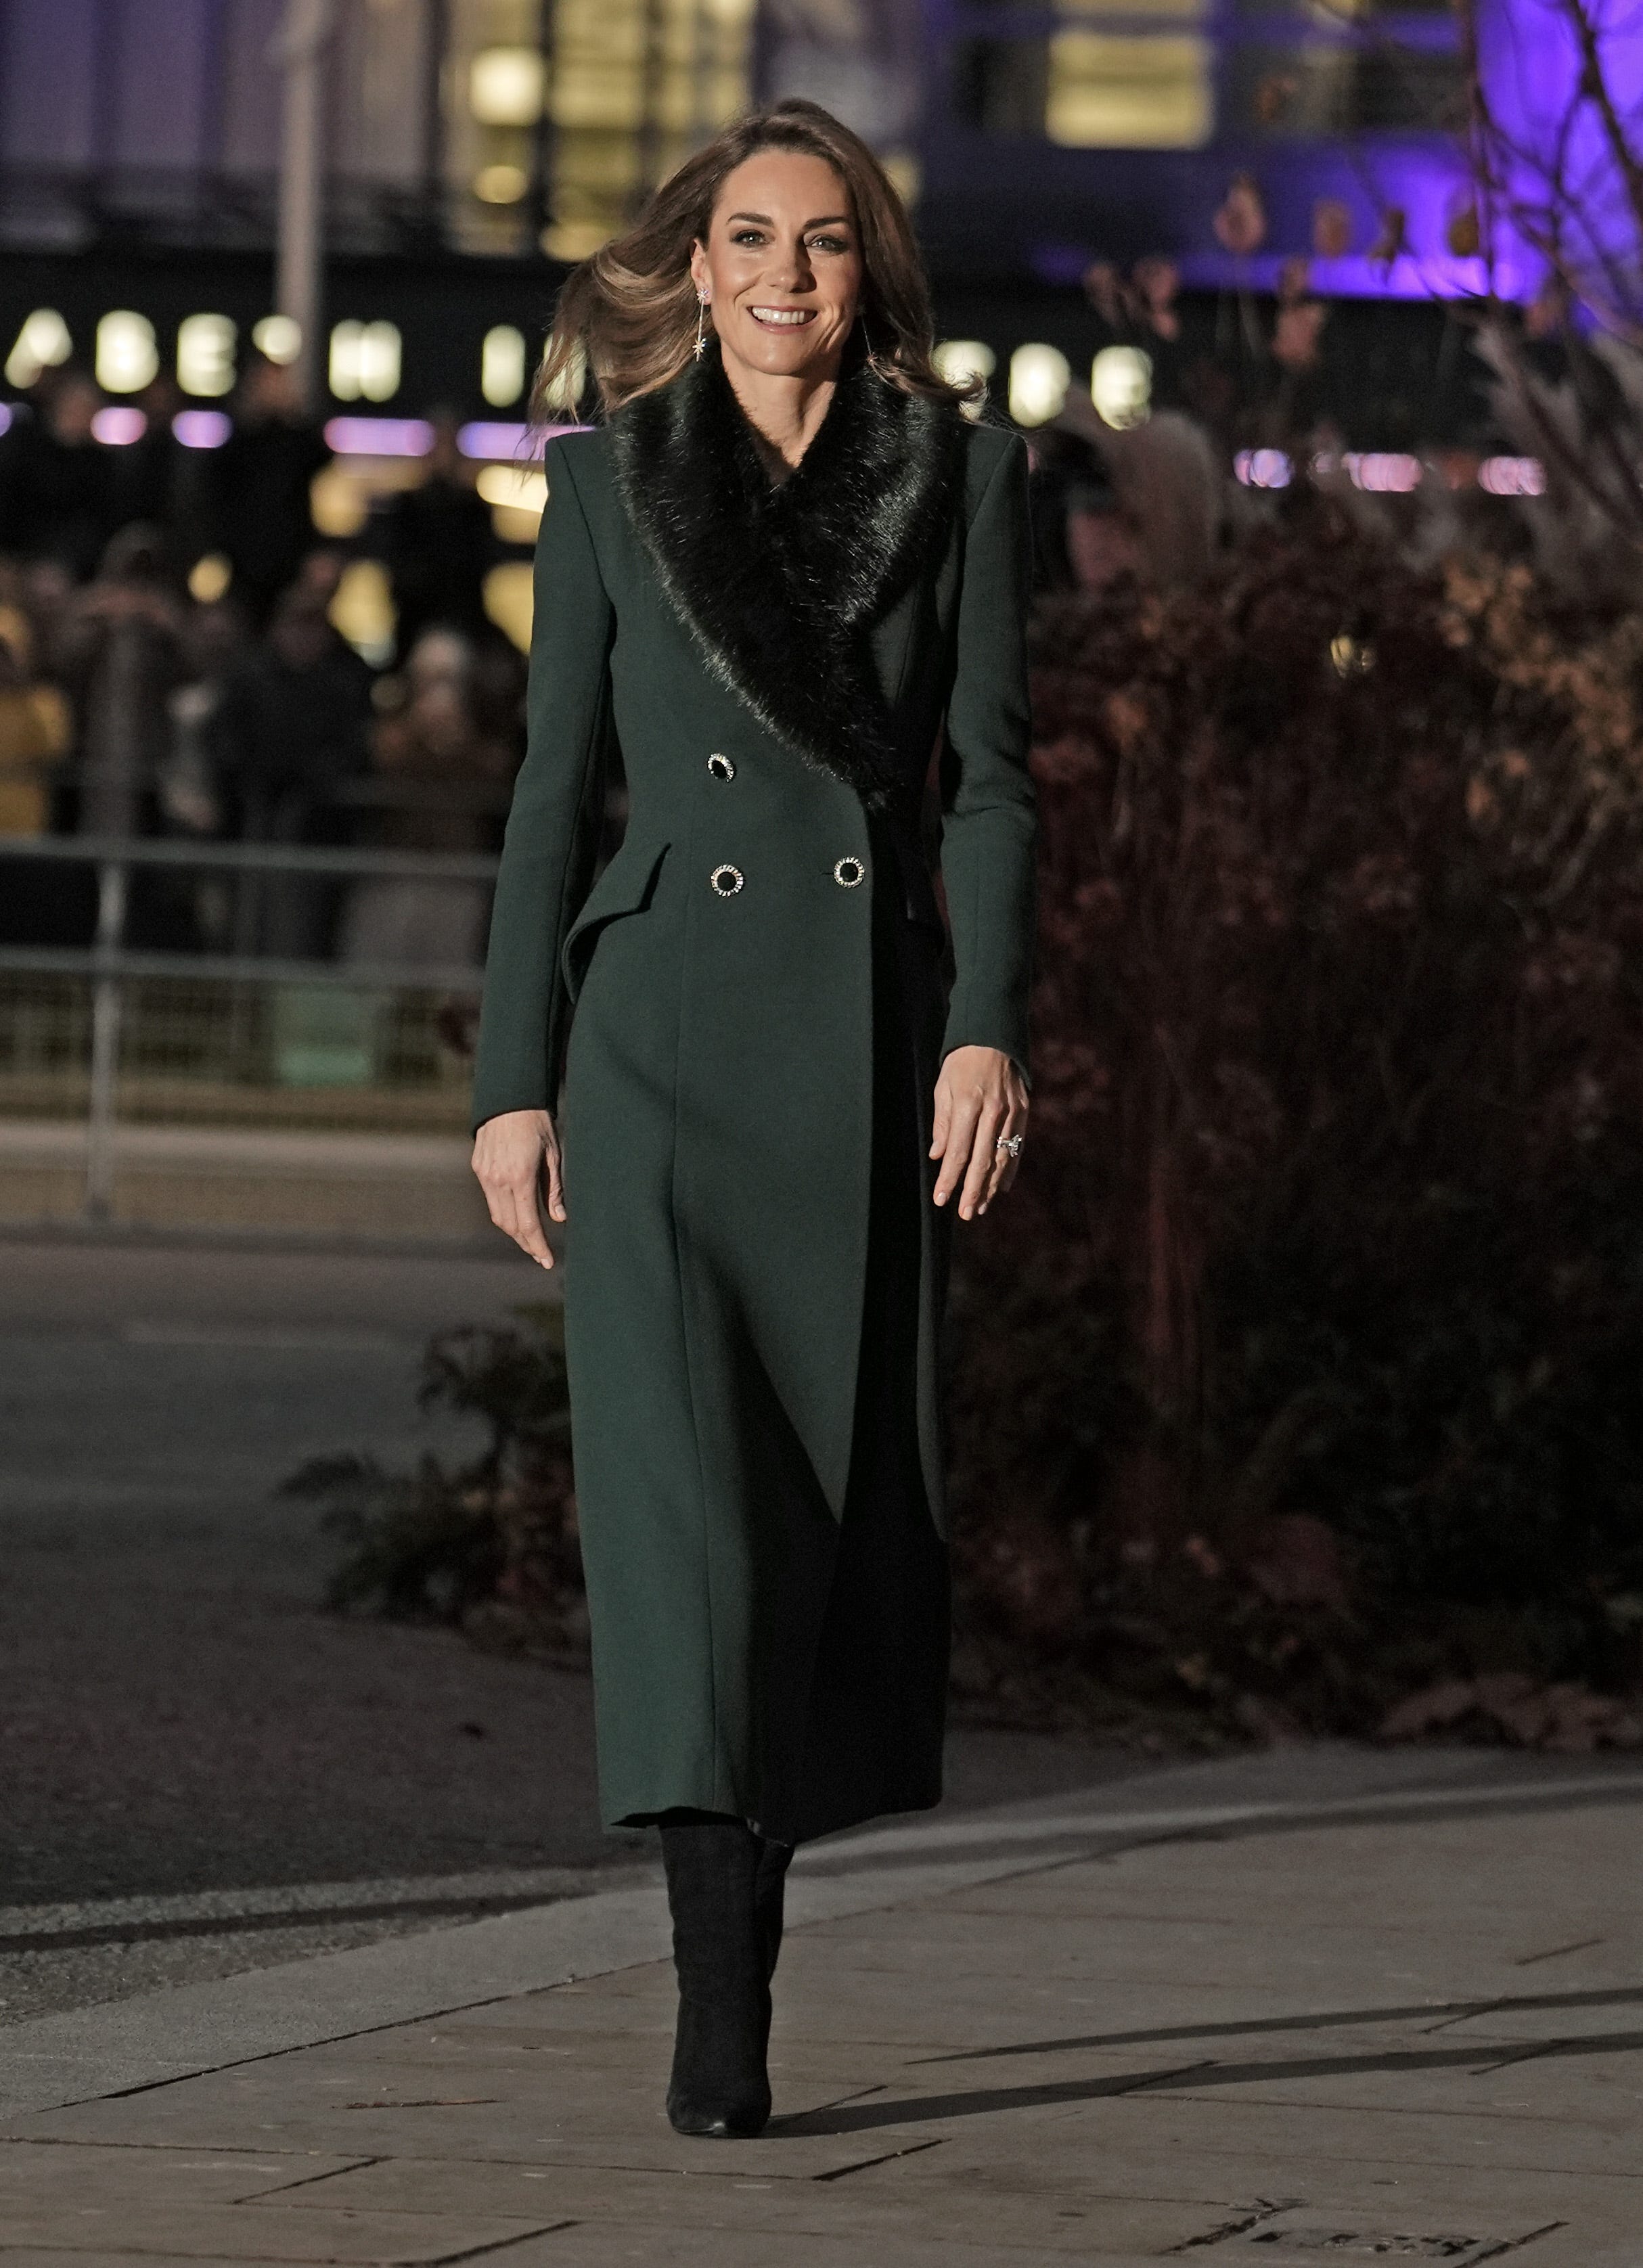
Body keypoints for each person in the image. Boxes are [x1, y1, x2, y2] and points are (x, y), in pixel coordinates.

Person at [470, 99, 1035, 2139]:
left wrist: (984, 1028)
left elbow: (985, 780)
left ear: (858, 271)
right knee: (685, 1535)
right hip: (649, 1062)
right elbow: (552, 797)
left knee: (809, 1526)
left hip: (867, 1053)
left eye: (818, 240)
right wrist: (509, 1078)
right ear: (688, 270)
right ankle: (716, 2011)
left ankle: (752, 1955)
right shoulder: (604, 486)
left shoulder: (960, 479)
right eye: (745, 238)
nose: (783, 272)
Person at [368, 409, 501, 664]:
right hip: (415, 622)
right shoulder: (407, 508)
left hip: (462, 624)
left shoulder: (474, 511)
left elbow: (479, 567)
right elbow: (396, 568)